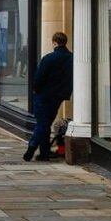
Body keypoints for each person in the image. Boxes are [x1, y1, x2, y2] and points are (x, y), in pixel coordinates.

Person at [25, 31, 74, 162]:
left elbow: (39, 78)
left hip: (44, 95)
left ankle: (32, 146)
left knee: (42, 122)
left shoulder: (49, 58)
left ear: (54, 43)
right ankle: (44, 153)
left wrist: (35, 90)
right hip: (58, 96)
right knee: (46, 123)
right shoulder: (72, 58)